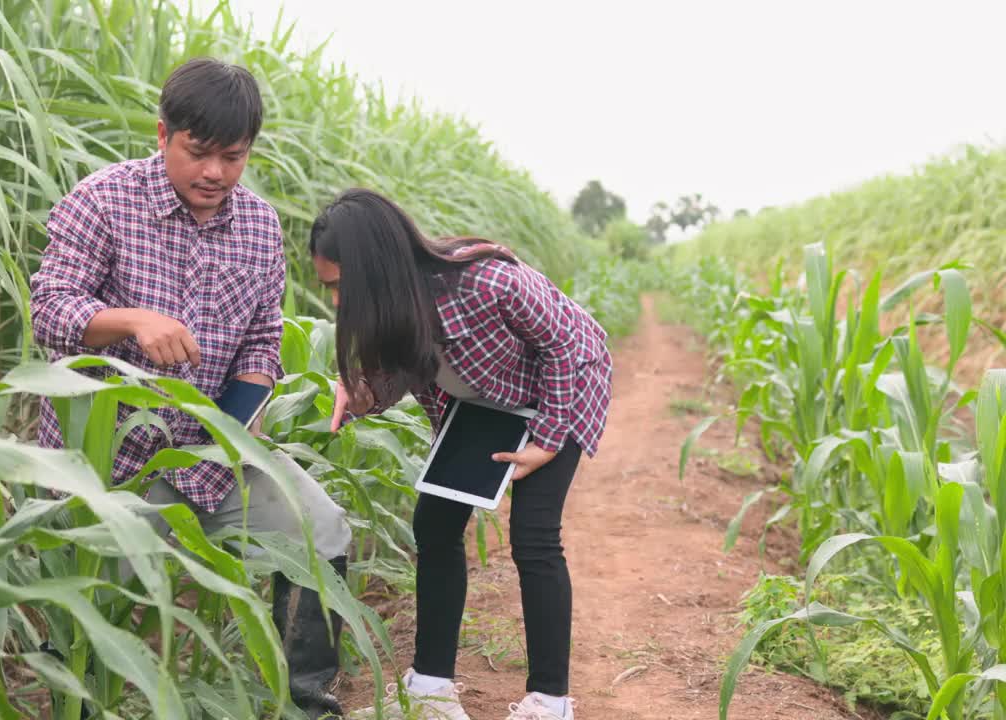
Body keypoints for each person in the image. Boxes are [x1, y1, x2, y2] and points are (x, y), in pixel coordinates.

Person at [30, 57, 352, 719]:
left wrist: (243, 417)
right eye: (198, 152)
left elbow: (263, 340)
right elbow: (49, 310)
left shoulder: (259, 226)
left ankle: (307, 703)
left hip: (212, 457)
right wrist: (132, 321)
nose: (214, 173)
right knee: (92, 612)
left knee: (322, 530)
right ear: (162, 135)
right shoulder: (104, 200)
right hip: (106, 468)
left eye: (232, 157)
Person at [310, 189, 613, 720]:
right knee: (434, 524)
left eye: (340, 286)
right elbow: (399, 375)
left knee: (535, 536)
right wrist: (361, 396)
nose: (336, 302)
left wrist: (546, 438)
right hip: (480, 407)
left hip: (558, 391)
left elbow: (567, 344)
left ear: (375, 269)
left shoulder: (490, 282)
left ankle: (550, 700)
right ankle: (430, 686)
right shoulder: (393, 309)